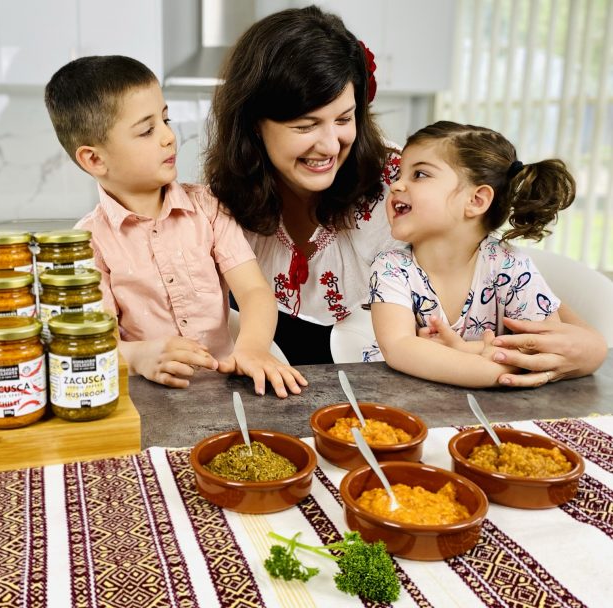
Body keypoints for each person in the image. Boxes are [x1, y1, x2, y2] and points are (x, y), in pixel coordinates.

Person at [203, 4, 607, 382]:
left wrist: (590, 348)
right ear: (255, 123)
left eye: (344, 119)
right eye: (306, 126)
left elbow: (484, 263)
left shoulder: (401, 188)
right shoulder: (216, 205)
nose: (329, 145)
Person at [44, 55, 306, 397]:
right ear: (94, 159)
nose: (169, 136)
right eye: (147, 130)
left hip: (226, 390)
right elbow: (92, 347)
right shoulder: (87, 244)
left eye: (166, 119)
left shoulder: (208, 208)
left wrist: (253, 348)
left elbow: (254, 292)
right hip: (144, 399)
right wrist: (138, 356)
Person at [365, 121, 575, 387]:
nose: (395, 186)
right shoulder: (390, 267)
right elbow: (399, 348)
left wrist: (464, 351)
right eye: (398, 175)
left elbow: (544, 347)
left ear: (476, 201)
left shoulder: (509, 266)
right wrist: (493, 368)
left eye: (419, 175)